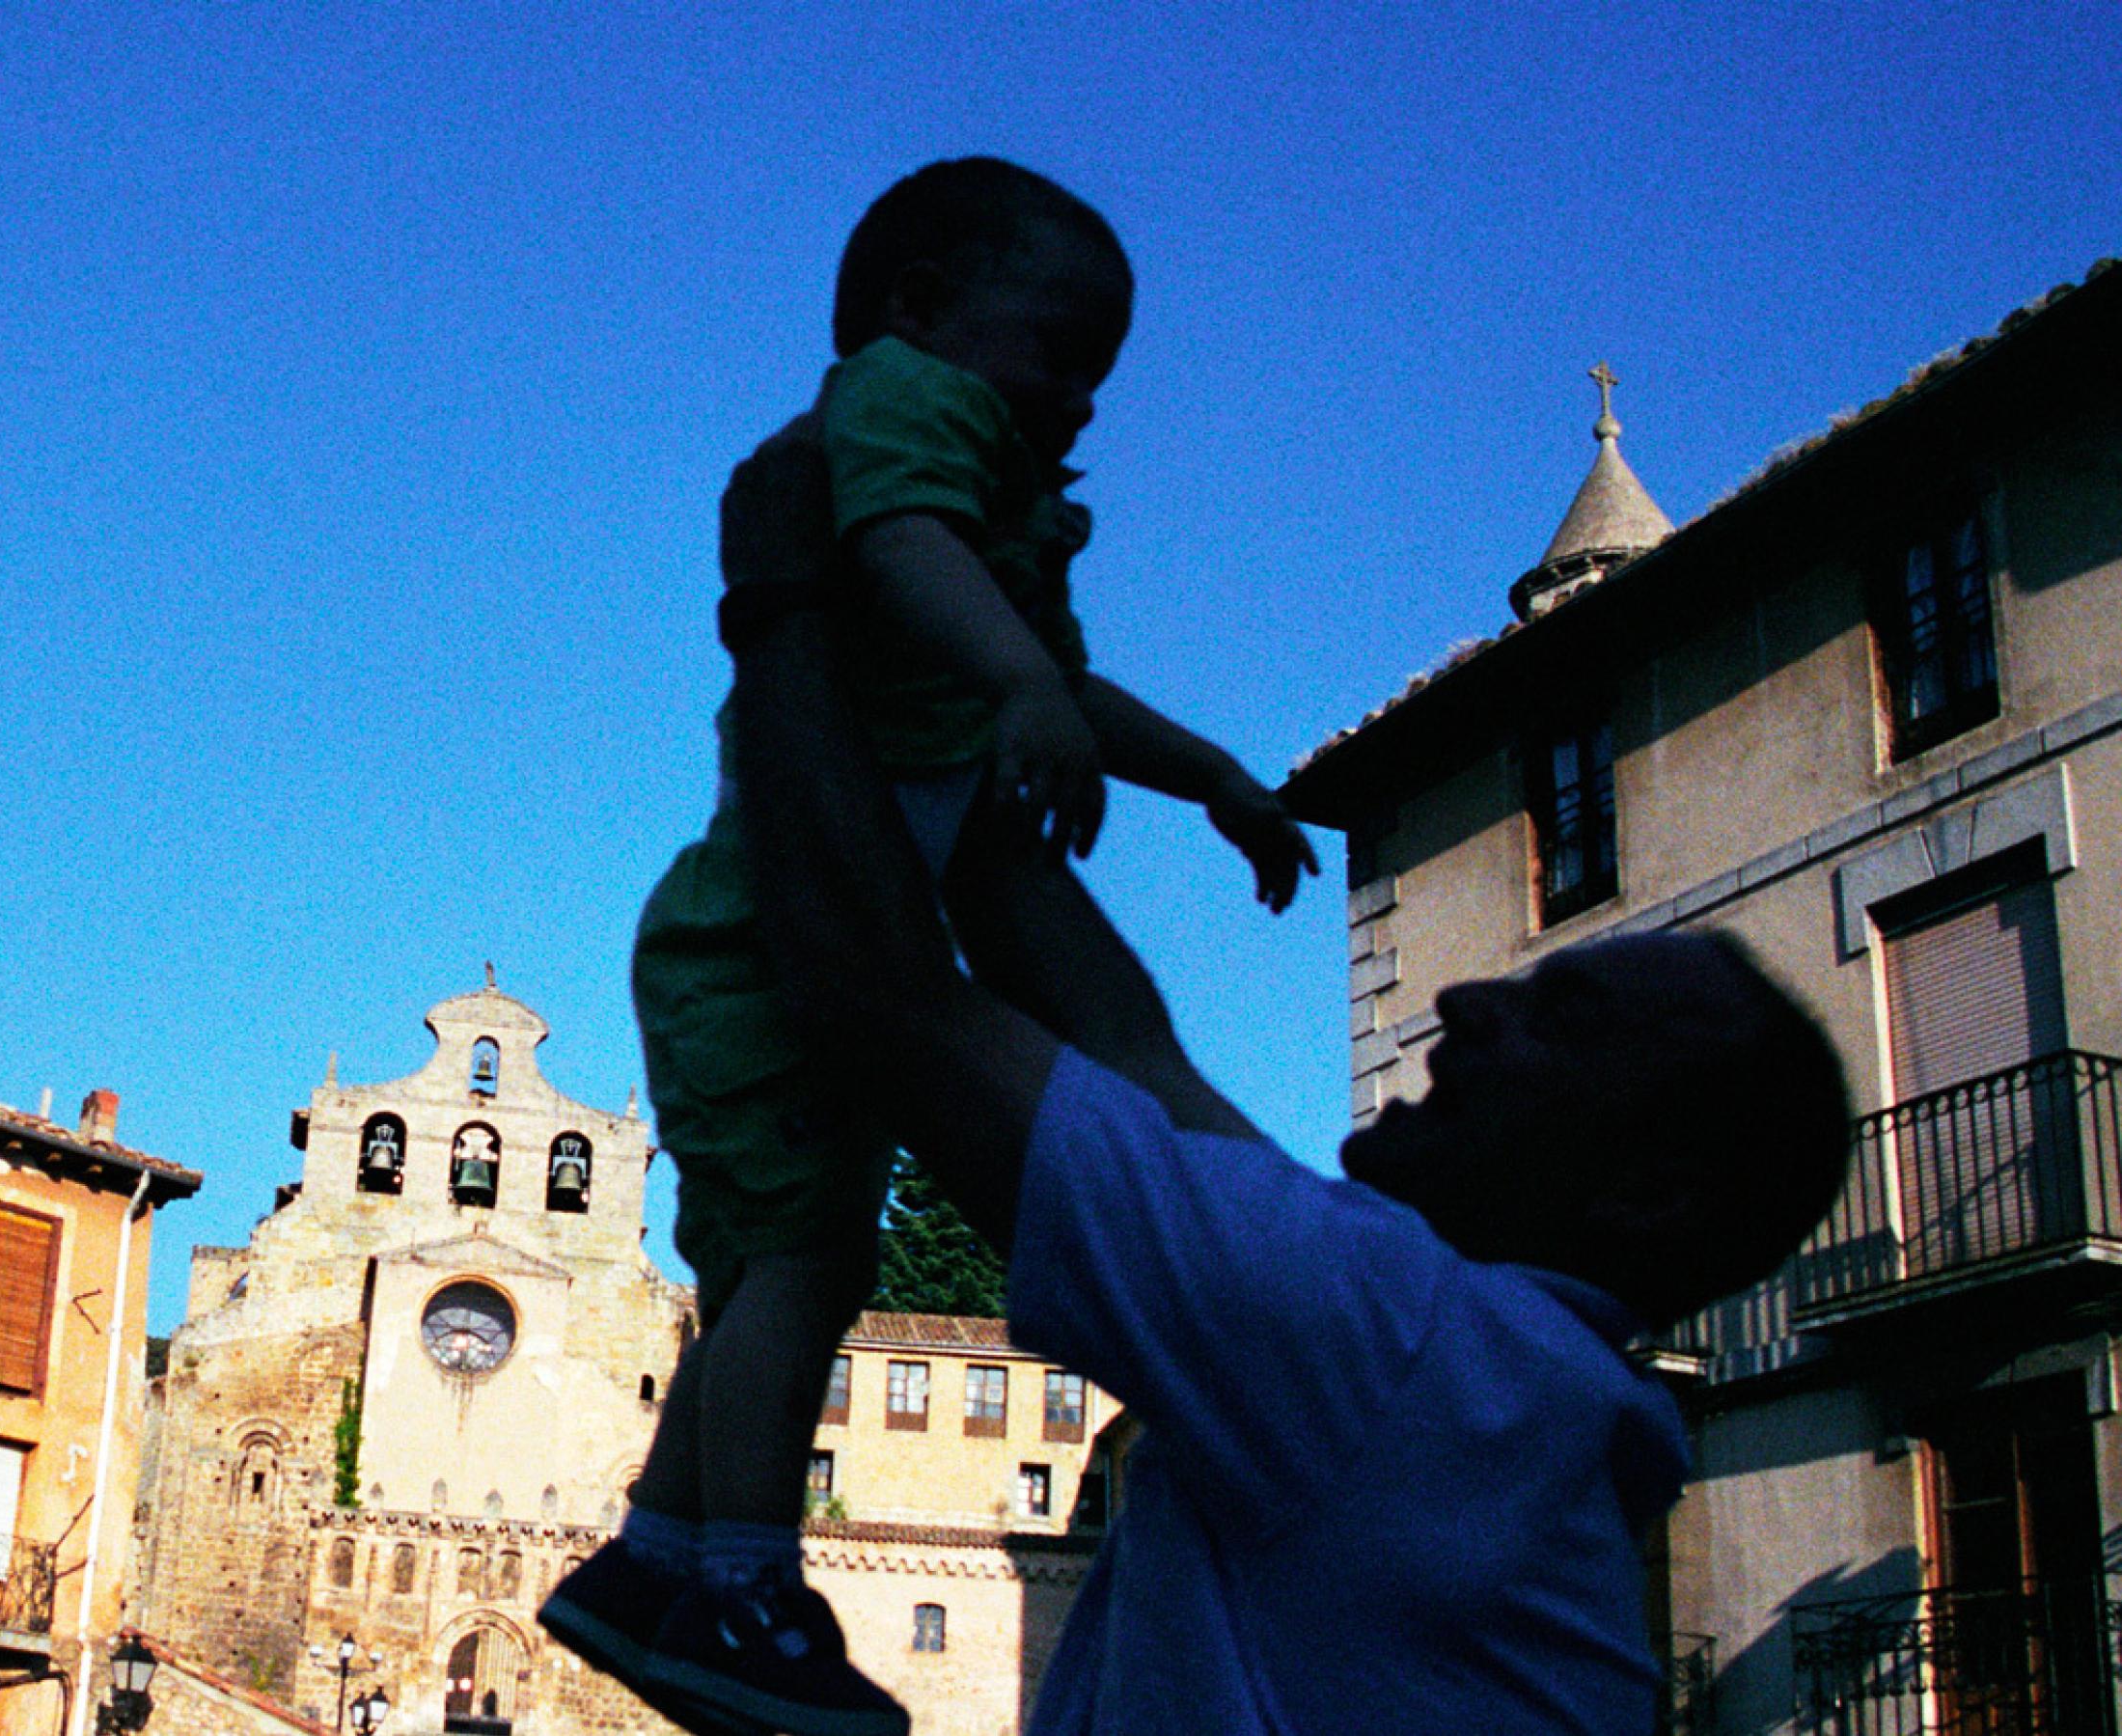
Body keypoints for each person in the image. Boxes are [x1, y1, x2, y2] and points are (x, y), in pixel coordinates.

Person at [702, 422, 1856, 1733]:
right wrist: (966, 726)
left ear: (1646, 1189)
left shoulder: (1396, 1348)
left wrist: (787, 606)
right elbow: (1131, 1055)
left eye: (1563, 1016)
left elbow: (875, 990)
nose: (1467, 999)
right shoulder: (1474, 1381)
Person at [546, 157, 1314, 1736]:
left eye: (1099, 376)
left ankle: (652, 1561)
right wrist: (1017, 685)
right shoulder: (906, 404)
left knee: (775, 1266)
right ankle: (743, 1587)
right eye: (1059, 355)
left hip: (786, 926)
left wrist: (1207, 776)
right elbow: (894, 546)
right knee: (804, 1265)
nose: (1081, 402)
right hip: (761, 940)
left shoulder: (1002, 504)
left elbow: (1042, 671)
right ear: (917, 314)